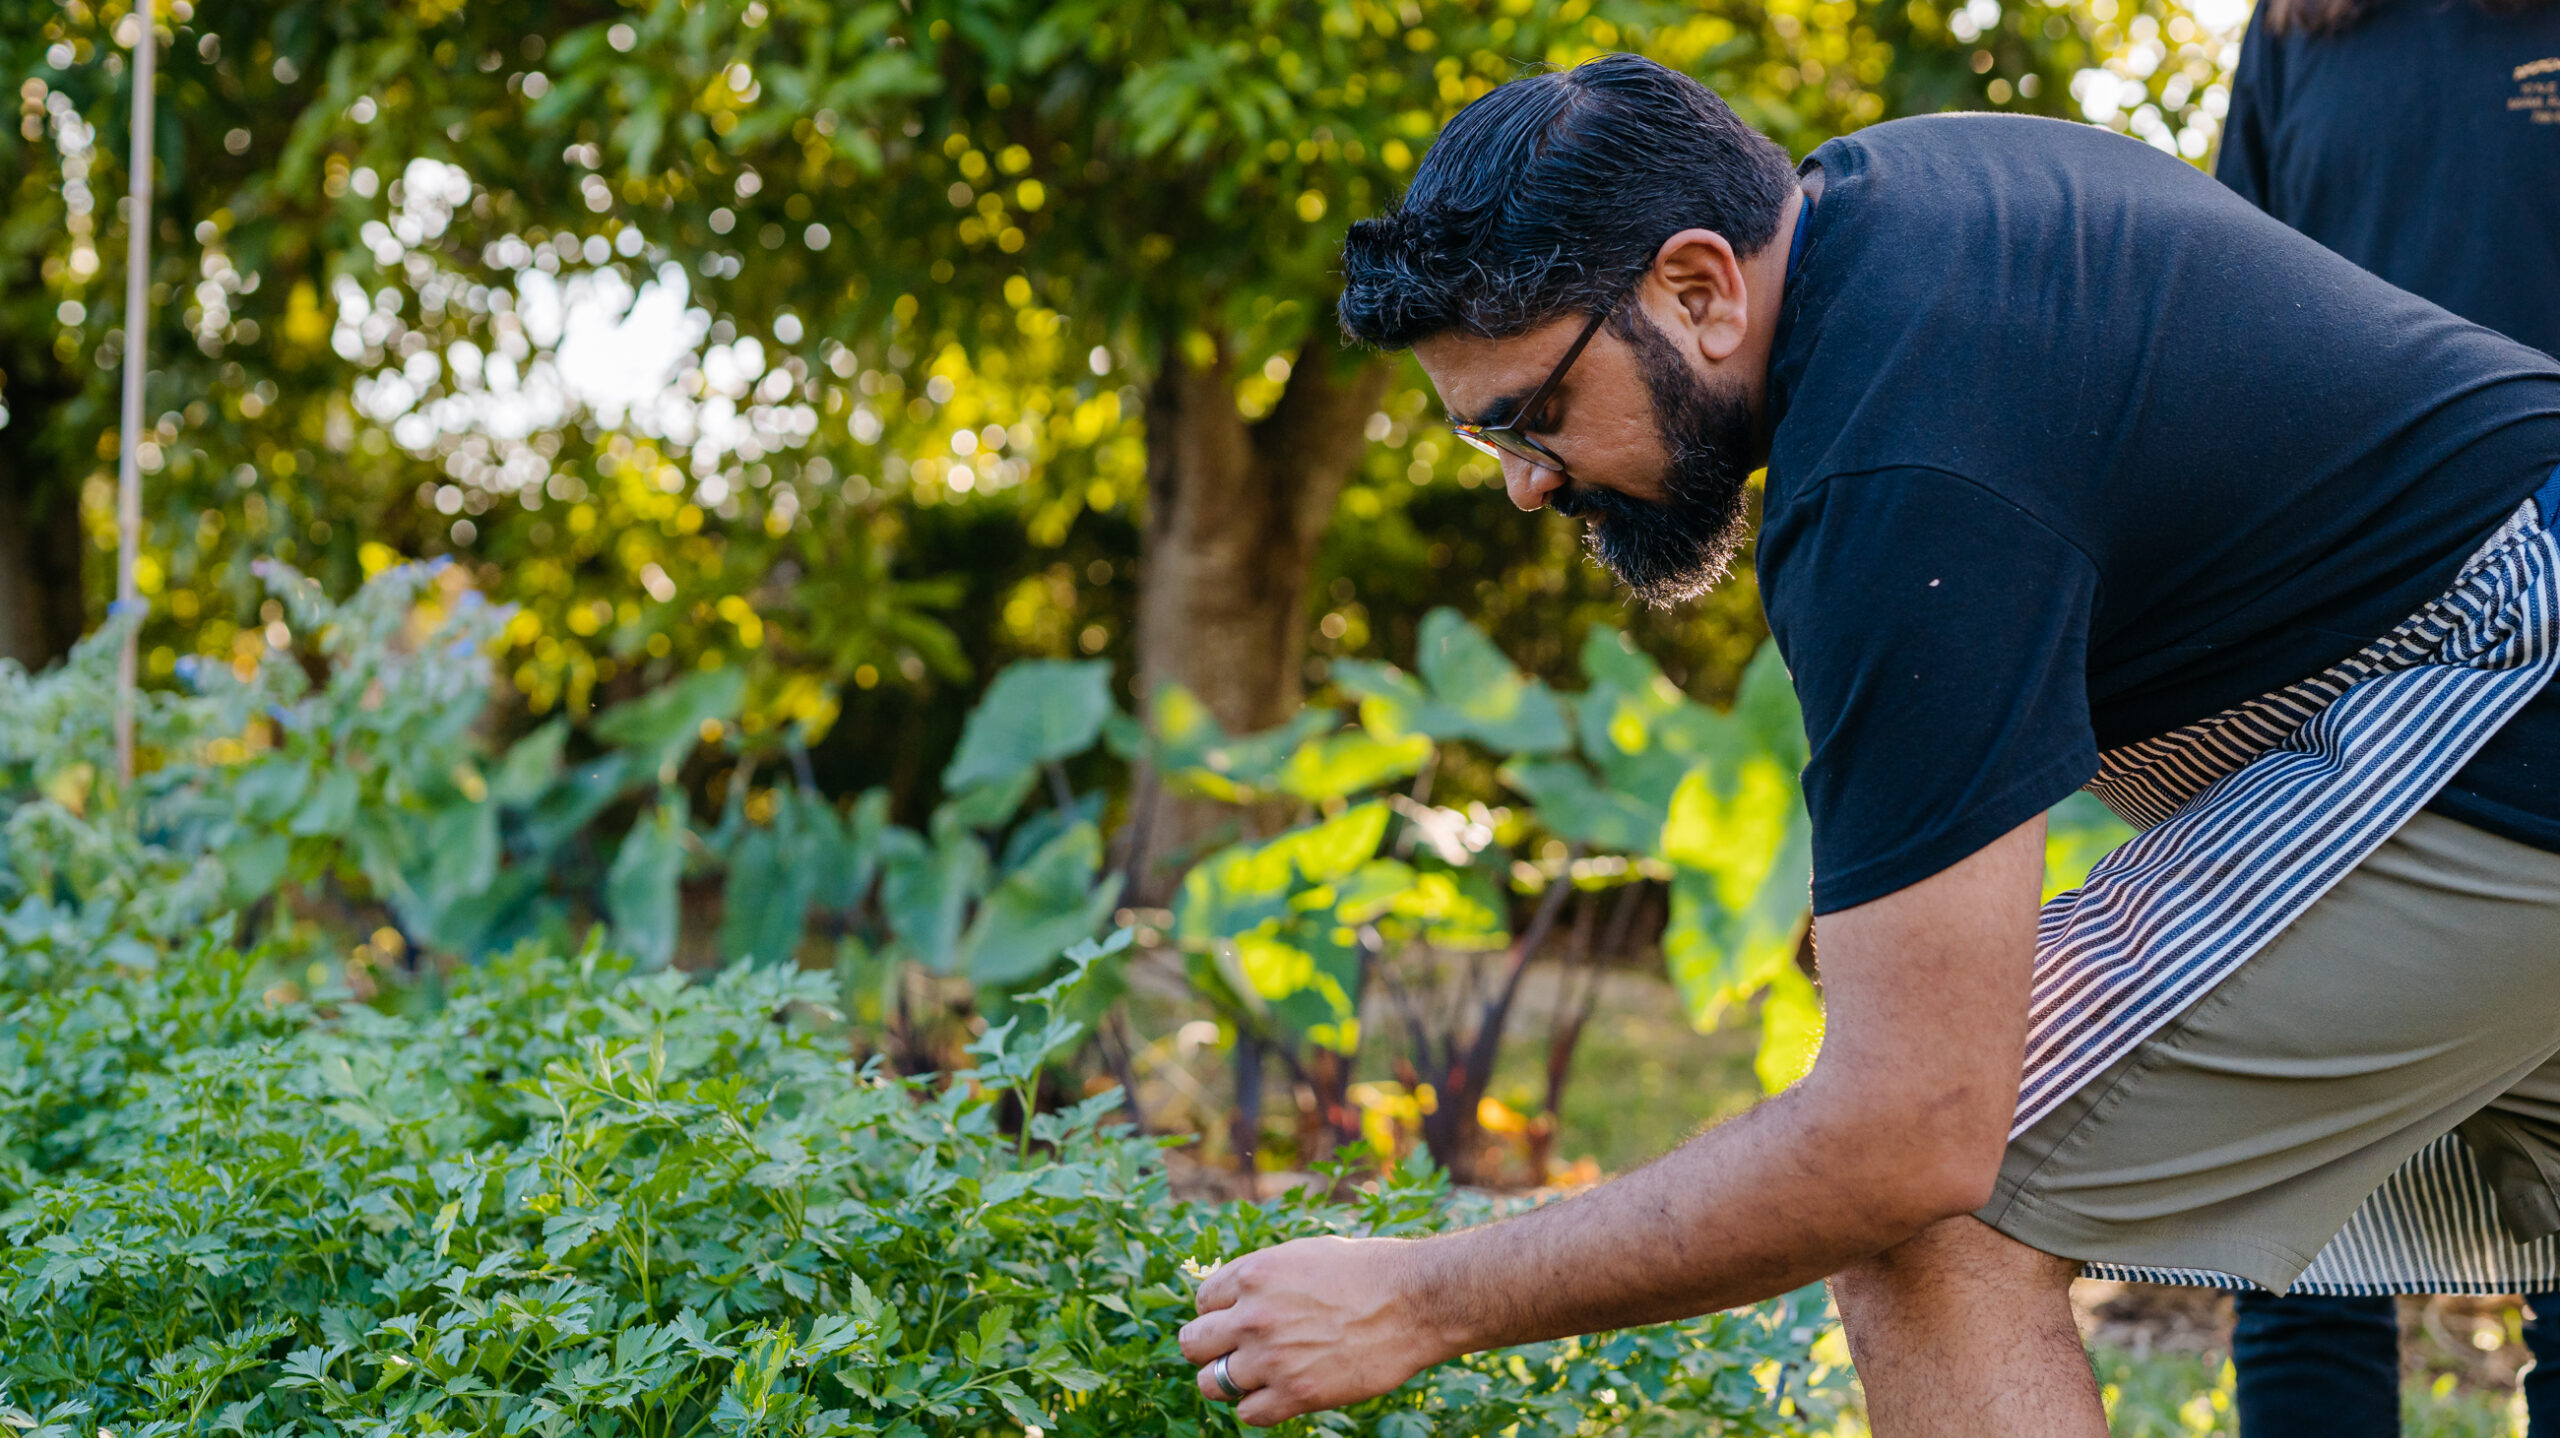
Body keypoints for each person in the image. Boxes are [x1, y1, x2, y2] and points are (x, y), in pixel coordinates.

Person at [1170, 52, 2560, 1435]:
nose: (1530, 483)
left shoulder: (1898, 464)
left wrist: (1420, 1296)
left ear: (1700, 288)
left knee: (1933, 1216)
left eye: (1530, 415)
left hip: (2518, 678)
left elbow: (1909, 1133)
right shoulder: (1903, 214)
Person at [2212, 0, 2560, 1428]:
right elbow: (2229, 330)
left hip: (2553, 675)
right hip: (2337, 691)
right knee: (2302, 1249)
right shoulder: (2301, 33)